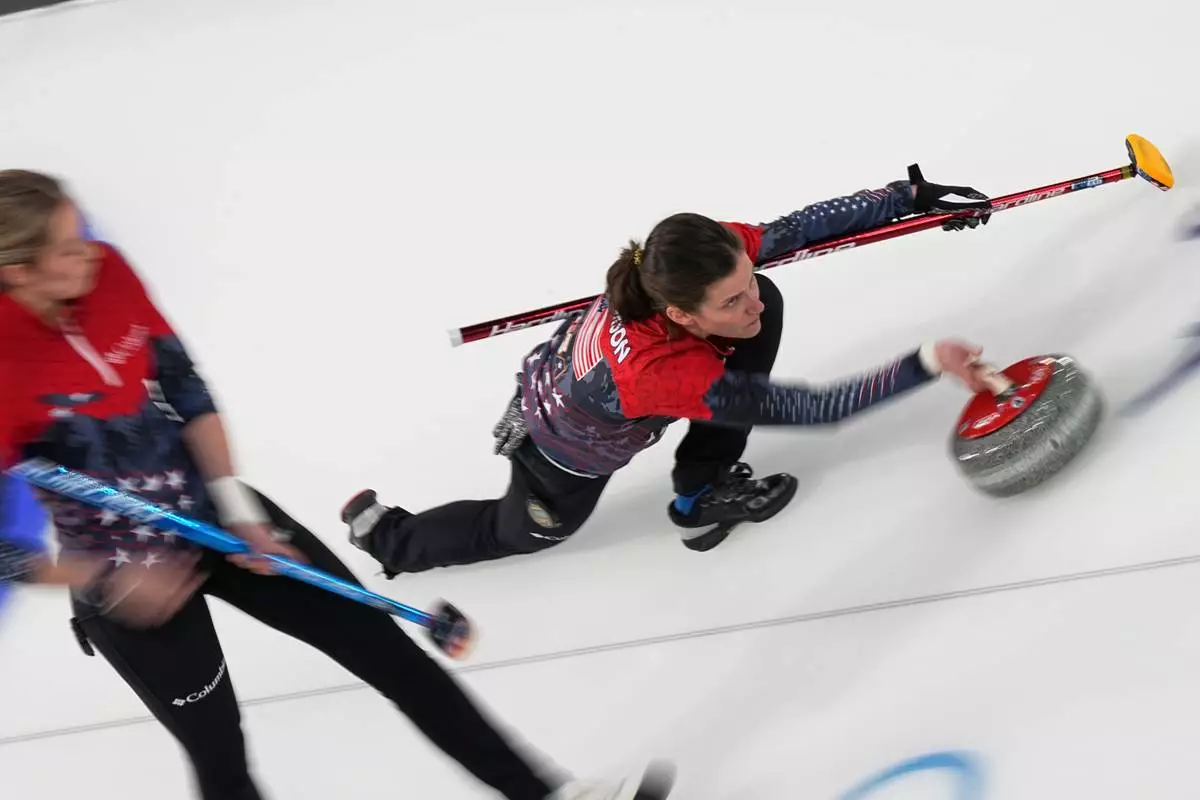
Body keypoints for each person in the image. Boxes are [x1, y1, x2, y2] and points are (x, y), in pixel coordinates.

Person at [0, 169, 673, 800]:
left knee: (388, 654)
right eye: (66, 249)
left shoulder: (108, 272)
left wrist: (239, 511)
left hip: (215, 511)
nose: (88, 252)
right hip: (124, 576)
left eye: (80, 231)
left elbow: (183, 385)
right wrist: (114, 581)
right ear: (18, 272)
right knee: (221, 754)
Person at [344, 166, 995, 573]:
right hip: (561, 447)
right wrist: (929, 361)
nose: (749, 306)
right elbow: (812, 409)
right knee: (523, 531)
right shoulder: (664, 371)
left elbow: (796, 228)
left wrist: (905, 197)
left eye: (743, 282)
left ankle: (699, 491)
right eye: (728, 302)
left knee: (768, 304)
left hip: (569, 372)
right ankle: (390, 538)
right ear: (681, 315)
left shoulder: (697, 255)